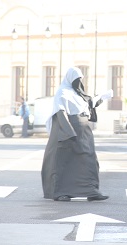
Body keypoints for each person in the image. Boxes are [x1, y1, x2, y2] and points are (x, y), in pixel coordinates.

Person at [41, 67, 109, 202]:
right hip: (69, 134)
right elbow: (60, 113)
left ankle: (92, 191)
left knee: (89, 161)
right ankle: (61, 193)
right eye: (77, 79)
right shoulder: (62, 93)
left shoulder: (78, 94)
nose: (79, 82)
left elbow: (88, 105)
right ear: (70, 79)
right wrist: (69, 133)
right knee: (65, 163)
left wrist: (101, 98)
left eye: (81, 79)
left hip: (84, 133)